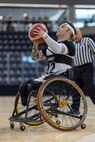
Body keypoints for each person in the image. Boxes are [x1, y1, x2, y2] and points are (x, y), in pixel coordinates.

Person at [19, 21, 76, 106]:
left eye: (62, 26)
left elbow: (58, 49)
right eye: (59, 26)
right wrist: (35, 44)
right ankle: (26, 106)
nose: (59, 27)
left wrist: (44, 35)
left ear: (69, 32)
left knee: (33, 85)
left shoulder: (70, 44)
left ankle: (38, 106)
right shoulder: (50, 48)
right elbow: (35, 57)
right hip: (49, 78)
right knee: (23, 86)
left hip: (61, 79)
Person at [70, 28, 95, 114]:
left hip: (87, 67)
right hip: (76, 69)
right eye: (73, 35)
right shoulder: (72, 45)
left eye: (76, 33)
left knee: (90, 87)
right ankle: (75, 109)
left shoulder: (87, 40)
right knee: (75, 89)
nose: (75, 36)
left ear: (80, 33)